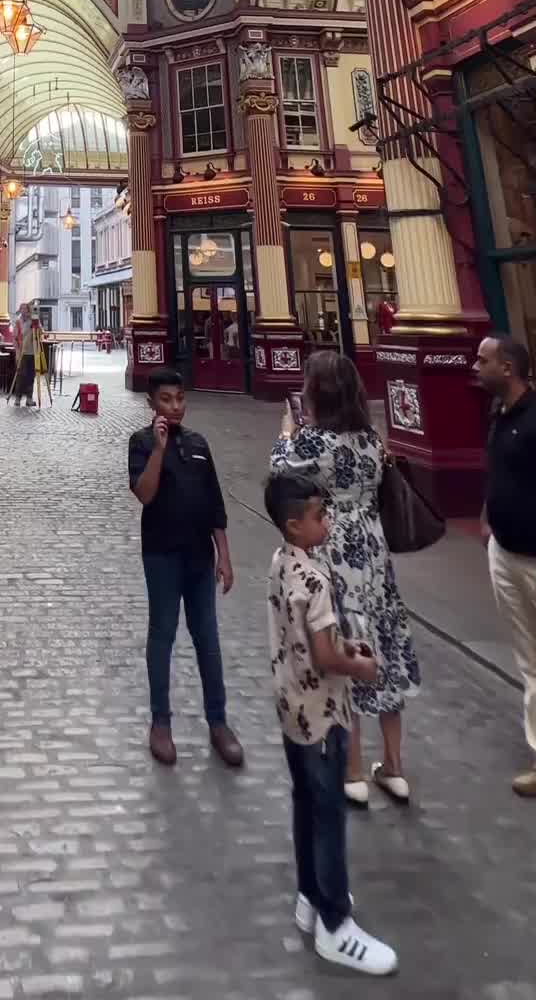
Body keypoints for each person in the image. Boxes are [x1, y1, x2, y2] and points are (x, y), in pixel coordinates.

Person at [271, 349, 420, 806]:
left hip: (333, 554)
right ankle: (393, 766)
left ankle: (353, 770)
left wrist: (286, 431)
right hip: (373, 556)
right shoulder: (371, 439)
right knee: (382, 647)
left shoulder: (311, 442)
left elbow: (278, 473)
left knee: (342, 647)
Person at [265, 472, 398, 977]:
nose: (329, 521)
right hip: (322, 715)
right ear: (295, 525)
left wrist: (342, 647)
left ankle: (309, 893)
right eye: (321, 516)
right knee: (328, 814)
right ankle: (335, 925)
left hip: (291, 709)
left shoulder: (281, 563)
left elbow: (301, 641)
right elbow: (323, 655)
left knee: (305, 802)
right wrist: (359, 664)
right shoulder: (315, 580)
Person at [128, 366, 243, 769]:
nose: (175, 407)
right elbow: (144, 494)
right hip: (161, 555)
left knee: (207, 638)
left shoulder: (199, 443)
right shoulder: (140, 443)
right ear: (151, 404)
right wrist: (158, 450)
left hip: (199, 557)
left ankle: (219, 722)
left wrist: (224, 555)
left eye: (179, 399)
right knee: (162, 636)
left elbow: (214, 502)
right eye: (166, 400)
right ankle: (161, 723)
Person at [474, 333, 536, 797]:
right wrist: (488, 516)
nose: (473, 365)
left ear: (508, 368)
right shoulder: (499, 414)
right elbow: (500, 472)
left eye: (482, 360)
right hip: (505, 553)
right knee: (532, 659)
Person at [9, 301, 41, 408]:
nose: (24, 311)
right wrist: (17, 351)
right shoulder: (18, 322)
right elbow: (14, 337)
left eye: (25, 309)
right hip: (22, 352)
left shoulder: (34, 321)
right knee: (20, 376)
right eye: (22, 309)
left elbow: (41, 333)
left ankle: (29, 398)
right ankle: (17, 398)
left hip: (32, 352)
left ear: (29, 310)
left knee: (30, 376)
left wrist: (36, 325)